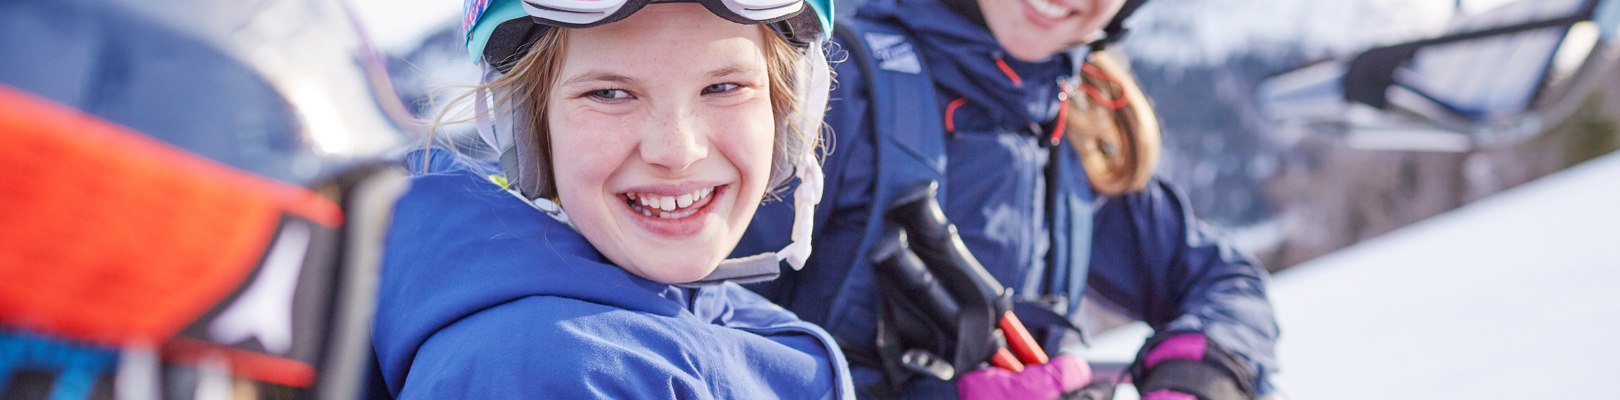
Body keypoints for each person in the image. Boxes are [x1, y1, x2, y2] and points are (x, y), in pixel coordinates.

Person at [732, 0, 1281, 398]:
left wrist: (1201, 375)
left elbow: (1223, 280)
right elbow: (697, 335)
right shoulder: (838, 91)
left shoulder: (1073, 129)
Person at [368, 0, 855, 397]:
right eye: (610, 94)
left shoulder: (703, 318)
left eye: (723, 87)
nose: (677, 151)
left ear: (789, 107)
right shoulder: (552, 370)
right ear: (528, 126)